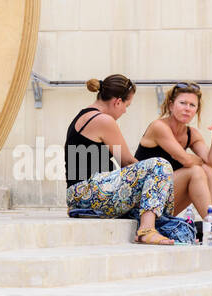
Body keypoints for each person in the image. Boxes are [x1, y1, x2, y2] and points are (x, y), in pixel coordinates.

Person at [65, 74, 178, 245]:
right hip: (88, 192)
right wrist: (156, 175)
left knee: (157, 176)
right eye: (126, 105)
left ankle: (154, 225)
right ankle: (146, 230)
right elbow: (127, 162)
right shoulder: (103, 120)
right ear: (117, 101)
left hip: (81, 194)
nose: (125, 111)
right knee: (160, 165)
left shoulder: (85, 115)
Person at [135, 82, 212, 243]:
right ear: (171, 105)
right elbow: (186, 160)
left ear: (196, 110)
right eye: (182, 103)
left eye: (192, 105)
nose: (187, 108)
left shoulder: (191, 134)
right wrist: (197, 161)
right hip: (144, 201)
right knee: (196, 170)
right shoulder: (159, 127)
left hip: (163, 201)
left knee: (207, 170)